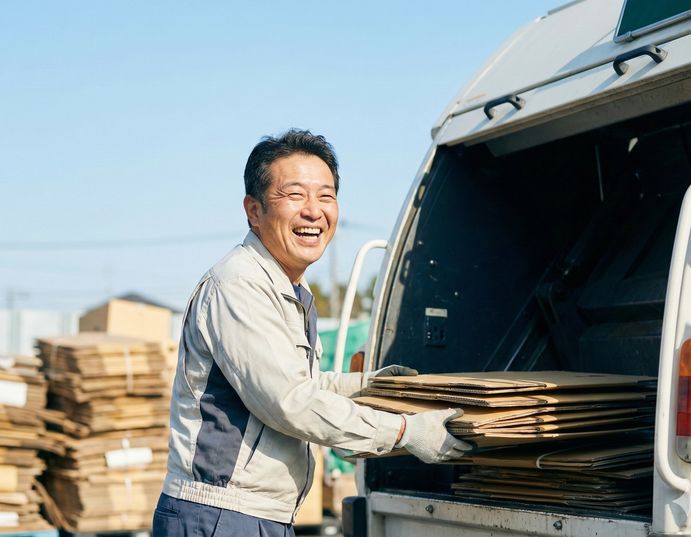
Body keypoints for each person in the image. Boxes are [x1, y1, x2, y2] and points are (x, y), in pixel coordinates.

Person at [155, 129, 469, 537]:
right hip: (222, 517)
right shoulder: (239, 285)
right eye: (295, 195)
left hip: (258, 515)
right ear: (254, 210)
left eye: (326, 195)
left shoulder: (290, 290)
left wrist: (366, 385)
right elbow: (289, 403)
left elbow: (298, 383)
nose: (313, 211)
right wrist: (407, 432)